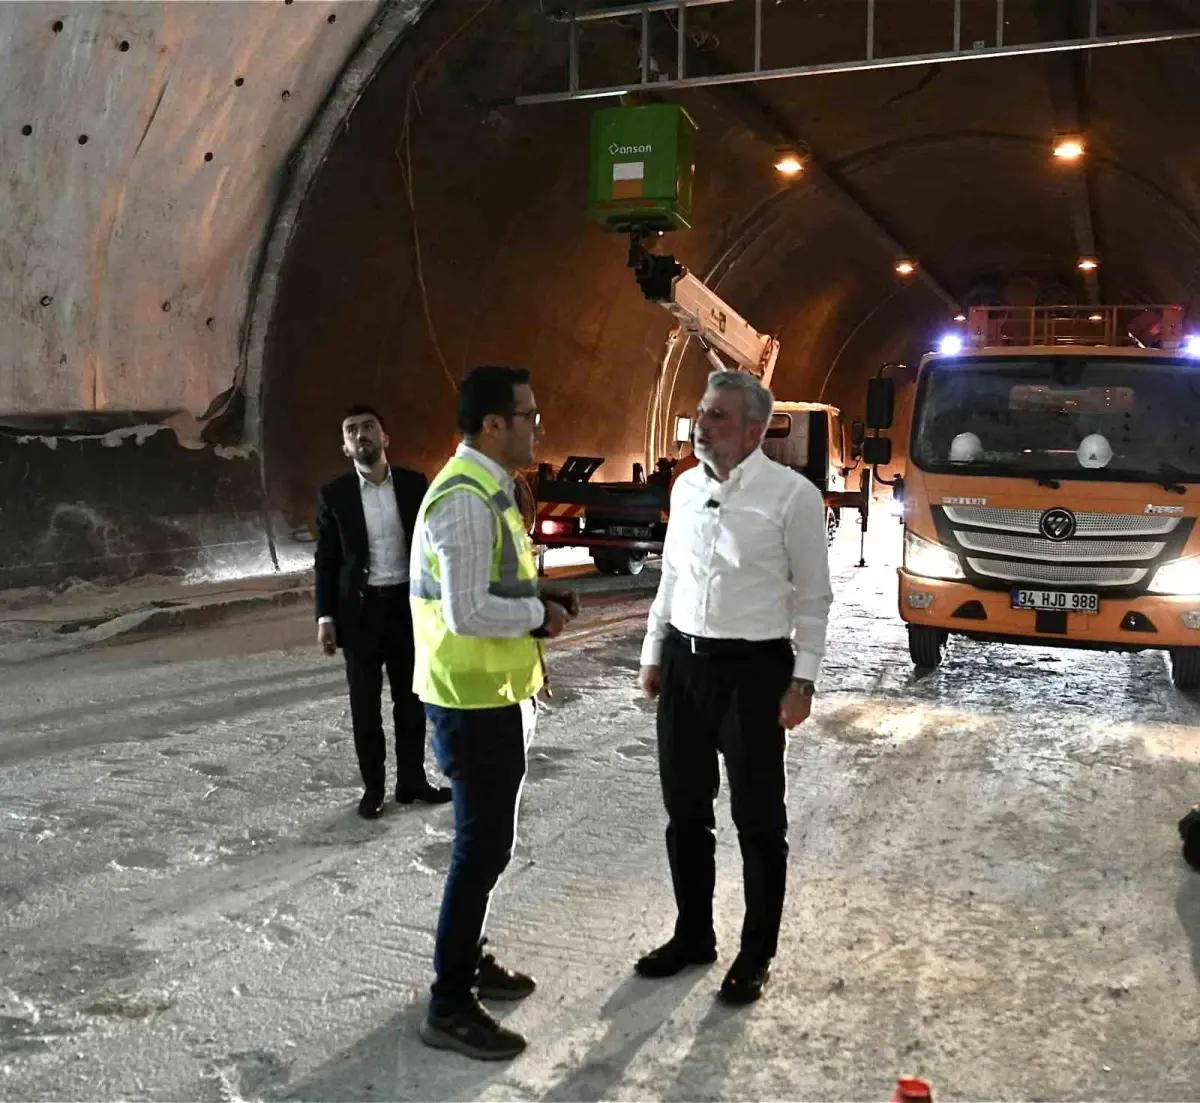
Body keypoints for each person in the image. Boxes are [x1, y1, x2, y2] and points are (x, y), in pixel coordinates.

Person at [636, 369, 834, 1005]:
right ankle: (693, 933)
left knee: (756, 819)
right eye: (701, 411)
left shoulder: (792, 497)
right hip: (687, 665)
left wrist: (803, 679)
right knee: (685, 812)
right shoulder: (687, 488)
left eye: (717, 415)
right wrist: (654, 652)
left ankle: (756, 951)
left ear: (754, 428)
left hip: (754, 673)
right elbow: (670, 576)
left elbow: (813, 598)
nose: (701, 423)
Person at [410, 365, 579, 1060]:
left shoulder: (490, 491)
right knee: (481, 848)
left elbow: (492, 583)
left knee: (485, 844)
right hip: (470, 699)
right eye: (529, 414)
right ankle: (450, 1002)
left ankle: (469, 958)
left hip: (494, 695)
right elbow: (470, 610)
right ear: (493, 423)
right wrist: (540, 614)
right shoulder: (464, 500)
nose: (539, 425)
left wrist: (542, 598)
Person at [315, 405, 451, 819]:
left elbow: (433, 548)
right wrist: (325, 617)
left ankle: (411, 781)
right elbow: (326, 560)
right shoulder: (334, 495)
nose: (361, 435)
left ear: (385, 437)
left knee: (411, 699)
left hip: (407, 608)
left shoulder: (413, 486)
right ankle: (373, 789)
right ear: (344, 446)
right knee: (365, 704)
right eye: (351, 430)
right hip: (360, 614)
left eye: (369, 427)